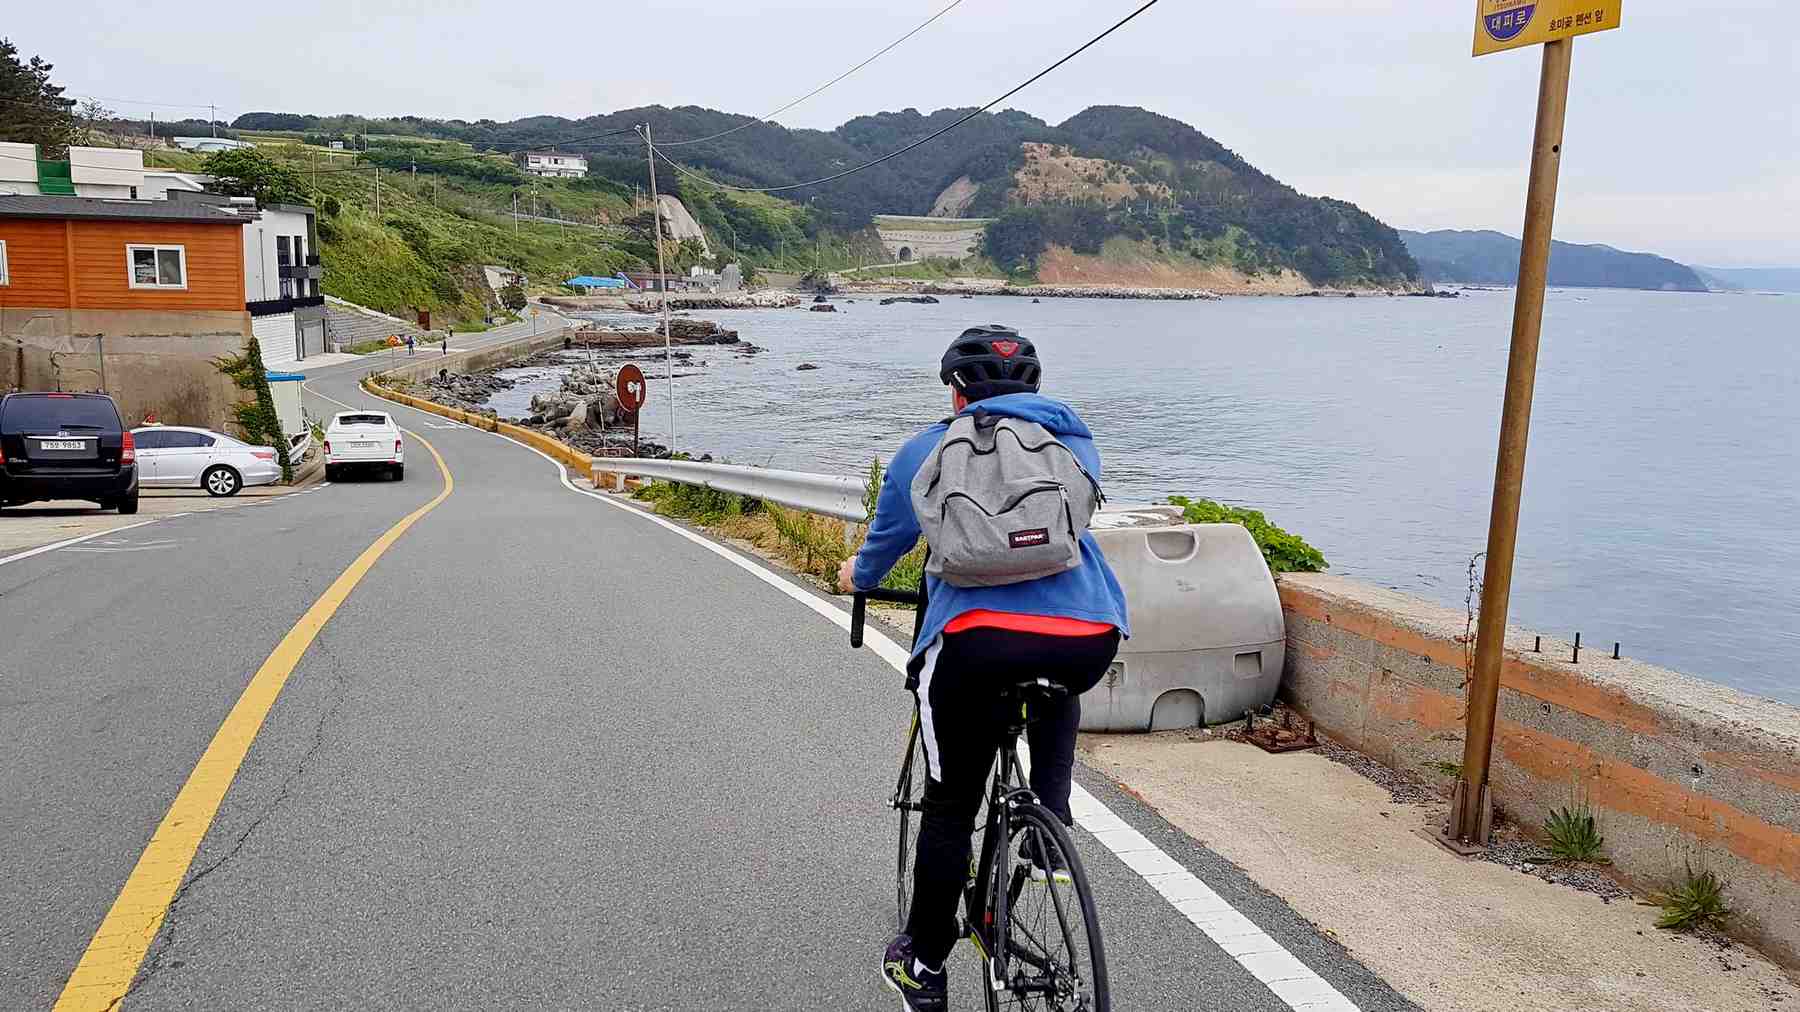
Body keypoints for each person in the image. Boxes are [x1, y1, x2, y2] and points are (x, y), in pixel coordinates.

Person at [838, 324, 1128, 1011]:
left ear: (955, 389)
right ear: (1032, 387)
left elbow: (882, 548)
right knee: (1054, 673)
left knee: (948, 808)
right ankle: (1047, 823)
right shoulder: (1071, 439)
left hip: (973, 644)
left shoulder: (926, 450)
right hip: (1087, 634)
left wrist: (859, 575)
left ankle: (924, 966)